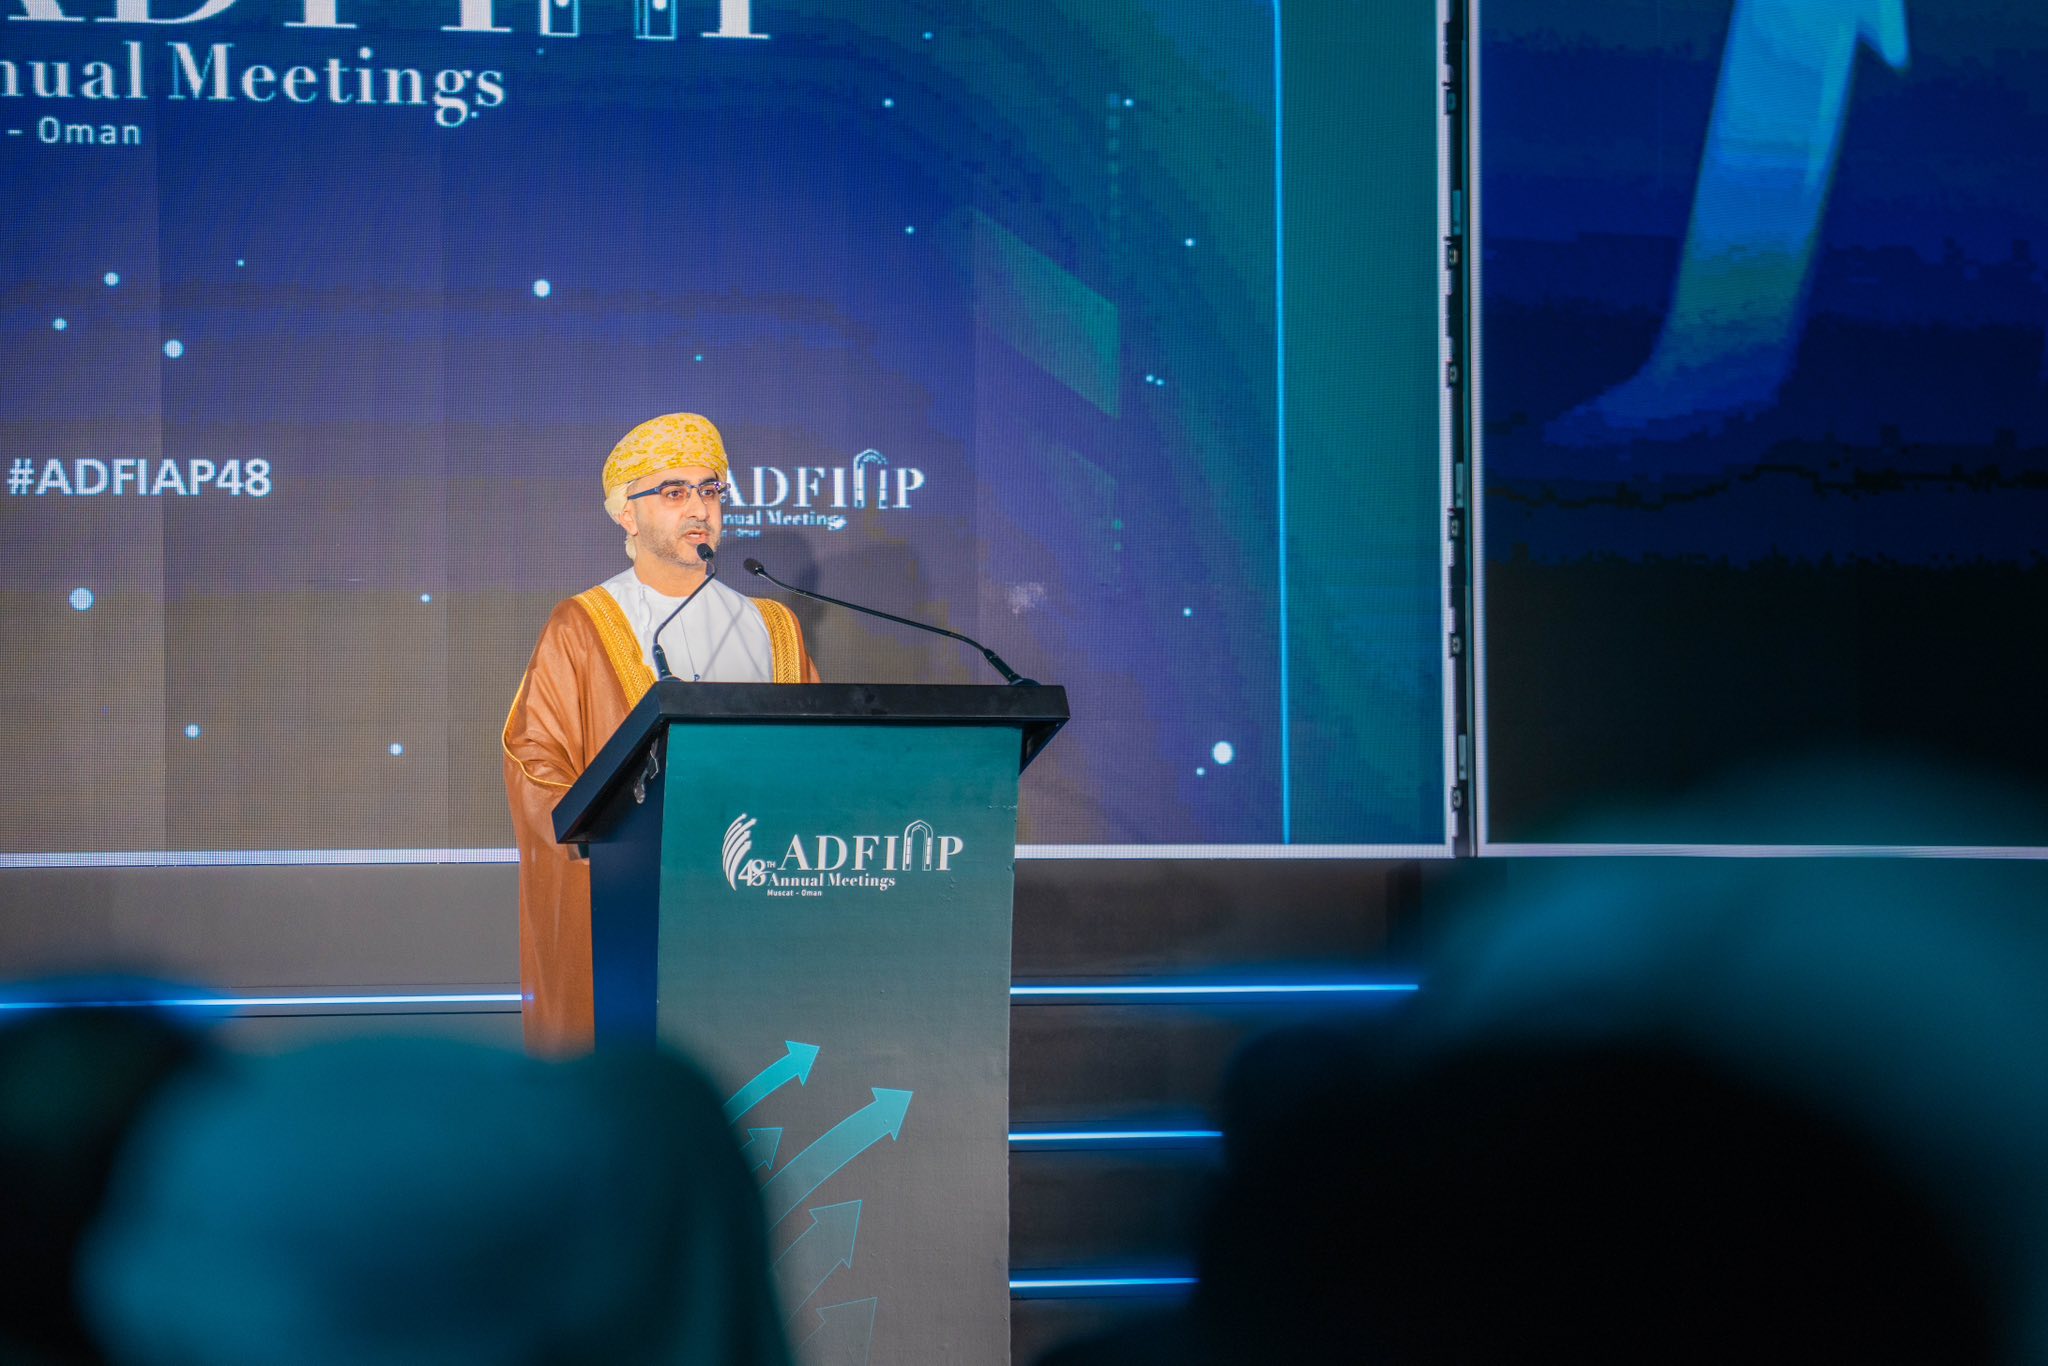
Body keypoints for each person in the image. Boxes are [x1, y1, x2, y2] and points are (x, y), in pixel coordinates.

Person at [503, 413, 820, 1055]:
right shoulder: (585, 622)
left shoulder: (772, 626)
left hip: (761, 895)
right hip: (639, 901)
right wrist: (606, 833)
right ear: (628, 514)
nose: (699, 509)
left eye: (710, 490)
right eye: (674, 492)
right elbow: (535, 757)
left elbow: (818, 757)